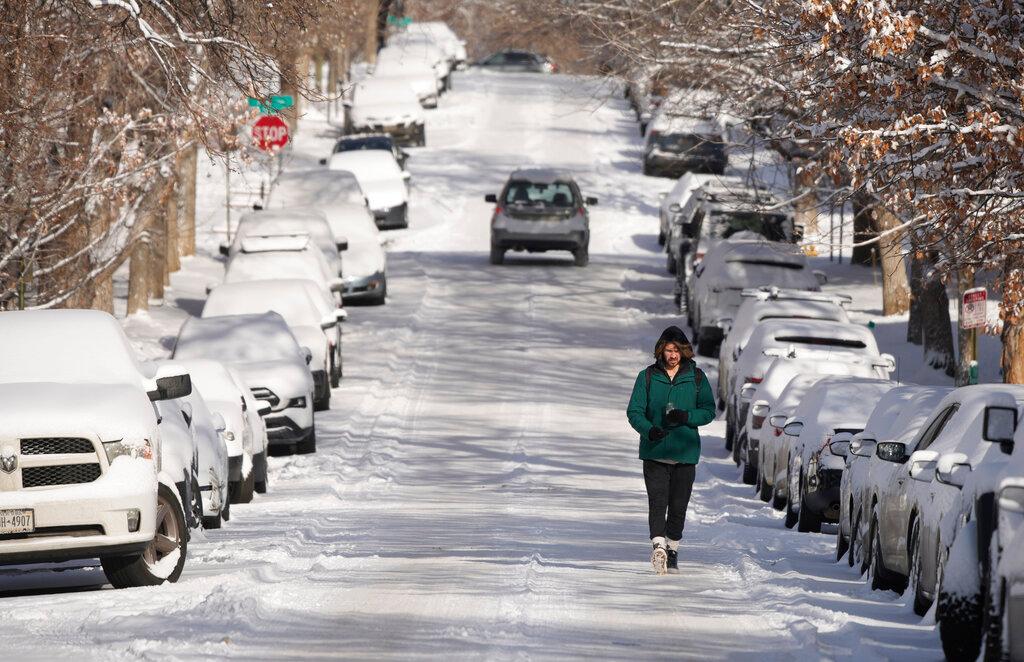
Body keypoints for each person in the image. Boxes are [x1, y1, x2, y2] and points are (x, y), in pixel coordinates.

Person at [626, 326, 715, 574]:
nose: (673, 355)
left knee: (678, 506)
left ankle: (672, 548)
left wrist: (687, 416)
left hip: (685, 454)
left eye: (677, 350)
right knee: (657, 502)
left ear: (684, 351)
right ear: (661, 351)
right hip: (655, 451)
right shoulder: (647, 377)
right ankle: (658, 547)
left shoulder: (697, 378)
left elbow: (709, 410)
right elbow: (634, 411)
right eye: (668, 350)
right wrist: (649, 430)